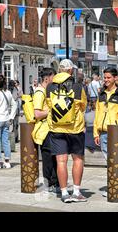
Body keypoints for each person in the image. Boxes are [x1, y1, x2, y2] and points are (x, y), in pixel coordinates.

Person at [46, 59, 87, 203]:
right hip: (75, 128)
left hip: (56, 128)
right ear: (70, 70)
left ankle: (64, 193)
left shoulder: (49, 87)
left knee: (61, 161)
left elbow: (49, 105)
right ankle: (76, 192)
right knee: (77, 159)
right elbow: (82, 106)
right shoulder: (77, 86)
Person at [32, 67, 59, 195]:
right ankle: (49, 183)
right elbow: (37, 113)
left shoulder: (48, 91)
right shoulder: (40, 92)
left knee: (55, 157)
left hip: (51, 128)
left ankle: (55, 182)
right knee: (48, 157)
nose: (55, 79)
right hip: (44, 130)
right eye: (54, 77)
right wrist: (52, 110)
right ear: (47, 78)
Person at [93, 67, 118, 198]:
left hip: (116, 132)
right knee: (109, 161)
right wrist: (96, 133)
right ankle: (113, 187)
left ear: (115, 78)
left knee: (115, 160)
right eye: (105, 77)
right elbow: (97, 113)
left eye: (109, 77)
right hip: (103, 133)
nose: (106, 80)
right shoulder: (101, 94)